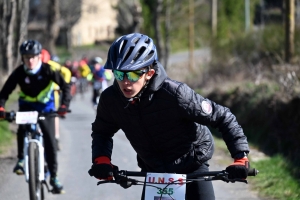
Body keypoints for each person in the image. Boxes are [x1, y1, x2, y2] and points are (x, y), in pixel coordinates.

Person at [87, 33, 250, 200]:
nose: (125, 82)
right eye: (119, 74)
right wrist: (102, 159)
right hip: (155, 172)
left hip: (192, 166)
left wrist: (240, 158)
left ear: (149, 73)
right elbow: (102, 132)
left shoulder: (175, 94)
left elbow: (223, 117)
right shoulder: (111, 99)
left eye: (133, 74)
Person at [0, 40, 71, 194]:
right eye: (26, 57)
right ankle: (20, 160)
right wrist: (1, 107)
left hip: (46, 108)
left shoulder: (48, 70)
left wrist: (64, 106)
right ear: (22, 59)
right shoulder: (19, 72)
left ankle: (54, 177)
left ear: (39, 57)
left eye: (33, 57)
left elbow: (65, 87)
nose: (30, 61)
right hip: (27, 106)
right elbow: (4, 92)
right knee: (22, 128)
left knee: (50, 141)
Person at [41, 49, 72, 151]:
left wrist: (63, 84)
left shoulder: (52, 65)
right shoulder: (53, 64)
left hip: (53, 93)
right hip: (50, 92)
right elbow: (66, 72)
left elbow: (66, 72)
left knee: (54, 114)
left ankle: (56, 137)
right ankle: (55, 137)